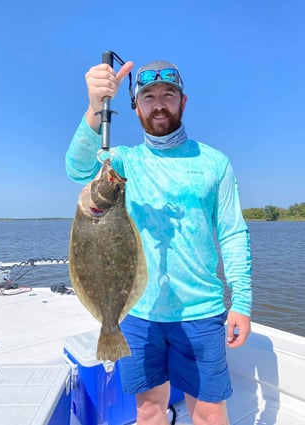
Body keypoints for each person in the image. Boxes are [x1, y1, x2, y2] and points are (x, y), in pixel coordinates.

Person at [65, 58, 252, 425]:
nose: (159, 102)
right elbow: (77, 168)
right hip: (137, 314)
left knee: (210, 414)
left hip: (201, 311)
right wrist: (93, 107)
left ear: (184, 102)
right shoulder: (122, 162)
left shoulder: (215, 162)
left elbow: (232, 232)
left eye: (169, 94)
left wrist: (241, 301)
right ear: (135, 107)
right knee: (149, 410)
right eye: (148, 96)